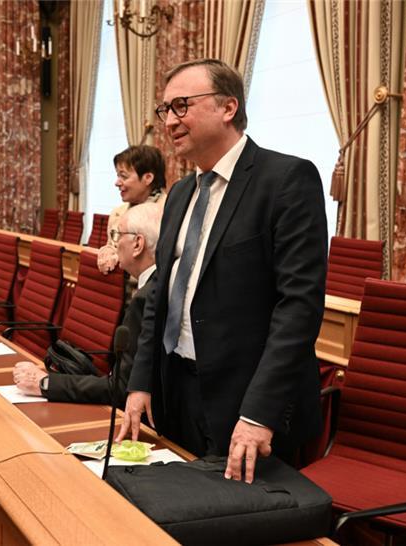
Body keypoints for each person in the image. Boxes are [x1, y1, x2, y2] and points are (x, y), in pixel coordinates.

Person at [117, 59, 327, 484]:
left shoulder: (286, 179)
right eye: (165, 111)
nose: (170, 122)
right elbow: (161, 295)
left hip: (246, 404)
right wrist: (140, 383)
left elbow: (298, 308)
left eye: (181, 106)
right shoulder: (179, 193)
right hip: (176, 390)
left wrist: (258, 412)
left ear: (228, 108)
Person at [13, 203, 162, 408]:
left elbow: (120, 389)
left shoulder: (146, 298)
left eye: (118, 235)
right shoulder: (164, 281)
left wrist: (45, 383)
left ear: (138, 244)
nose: (113, 244)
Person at [97, 145, 167, 274]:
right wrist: (107, 250)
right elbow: (114, 246)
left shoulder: (169, 213)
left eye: (124, 176)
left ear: (148, 178)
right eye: (118, 176)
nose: (117, 183)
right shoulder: (117, 214)